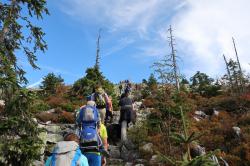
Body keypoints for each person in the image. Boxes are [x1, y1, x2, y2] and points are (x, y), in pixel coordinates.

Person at [77, 101, 103, 166]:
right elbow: (99, 123)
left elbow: (77, 122)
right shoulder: (95, 110)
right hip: (96, 152)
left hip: (83, 151)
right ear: (94, 105)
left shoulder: (82, 110)